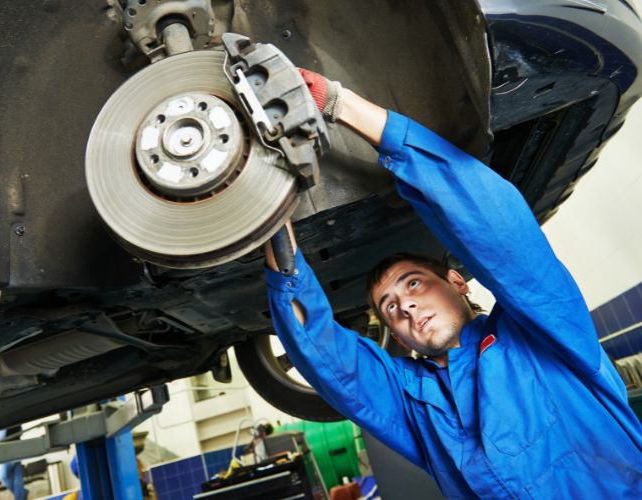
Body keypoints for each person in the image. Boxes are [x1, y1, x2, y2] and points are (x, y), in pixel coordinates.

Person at [264, 69, 642, 498]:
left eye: (414, 284)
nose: (404, 307)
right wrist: (267, 197)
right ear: (397, 339)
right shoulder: (412, 404)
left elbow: (502, 234)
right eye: (389, 308)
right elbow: (321, 349)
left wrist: (337, 102)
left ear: (458, 282)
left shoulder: (543, 334)